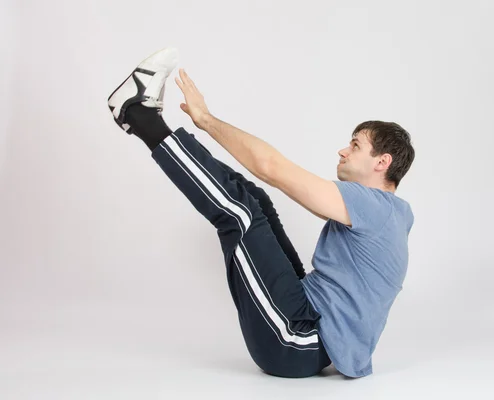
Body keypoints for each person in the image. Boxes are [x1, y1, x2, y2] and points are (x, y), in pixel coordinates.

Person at [107, 48, 415, 378]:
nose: (343, 150)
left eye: (355, 145)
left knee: (240, 214)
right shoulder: (392, 214)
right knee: (258, 203)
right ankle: (141, 118)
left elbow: (271, 168)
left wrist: (206, 120)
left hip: (295, 342)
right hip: (308, 329)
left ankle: (140, 117)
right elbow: (273, 178)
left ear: (382, 162)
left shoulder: (375, 207)